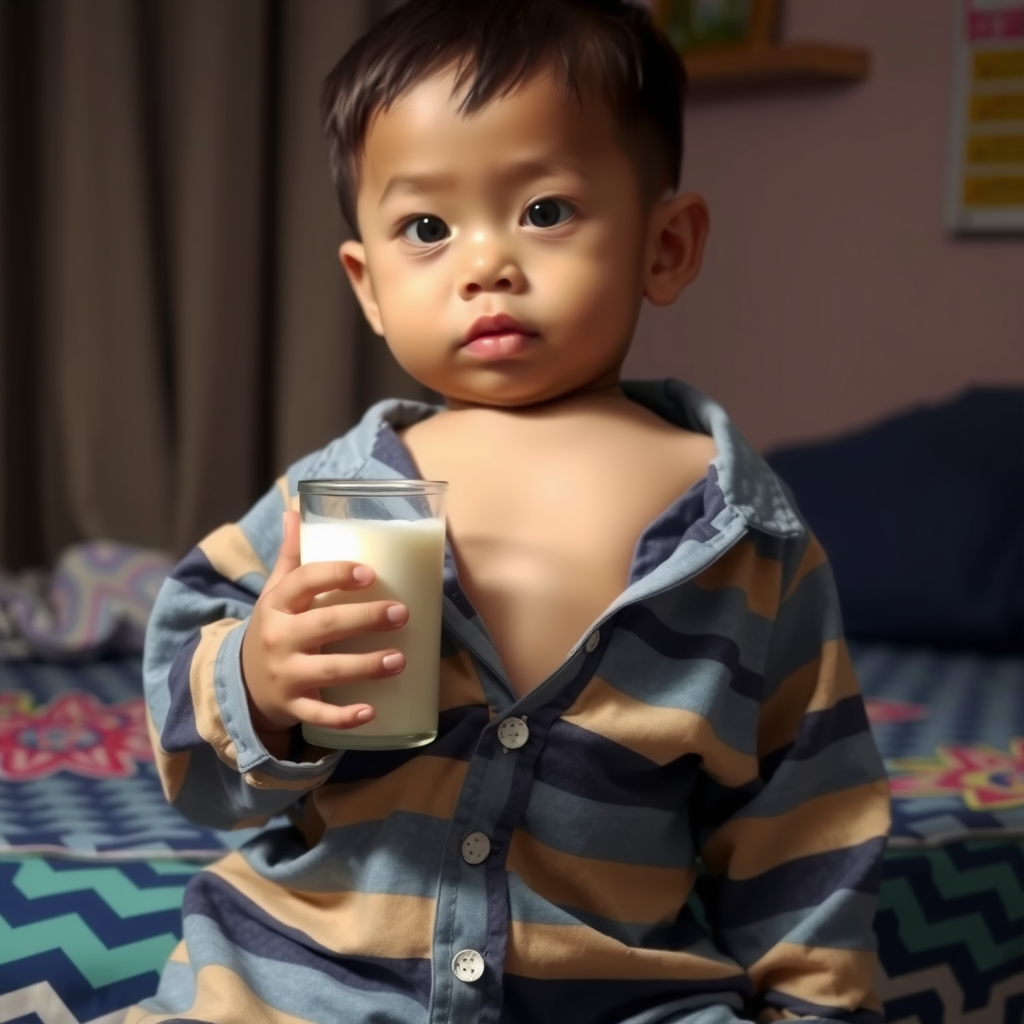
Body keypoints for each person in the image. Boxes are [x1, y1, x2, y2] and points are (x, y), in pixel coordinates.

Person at [129, 1, 891, 1022]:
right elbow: (188, 732)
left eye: (543, 210)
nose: (483, 262)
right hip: (303, 979)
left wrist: (812, 1002)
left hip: (610, 997)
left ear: (665, 245)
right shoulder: (345, 491)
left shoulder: (746, 537)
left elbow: (809, 818)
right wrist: (261, 681)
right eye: (427, 229)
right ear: (368, 285)